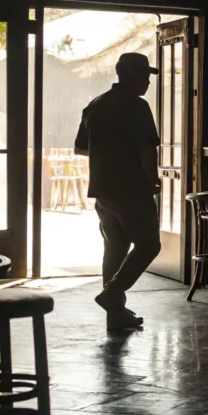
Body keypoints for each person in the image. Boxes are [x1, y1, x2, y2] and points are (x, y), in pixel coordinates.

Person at [74, 52, 162, 331]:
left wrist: (106, 150)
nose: (148, 82)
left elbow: (79, 147)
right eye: (146, 76)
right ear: (134, 76)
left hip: (102, 189)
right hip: (132, 188)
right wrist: (152, 180)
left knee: (115, 248)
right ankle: (112, 294)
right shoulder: (137, 106)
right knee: (149, 245)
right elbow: (147, 148)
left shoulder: (95, 105)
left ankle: (116, 315)